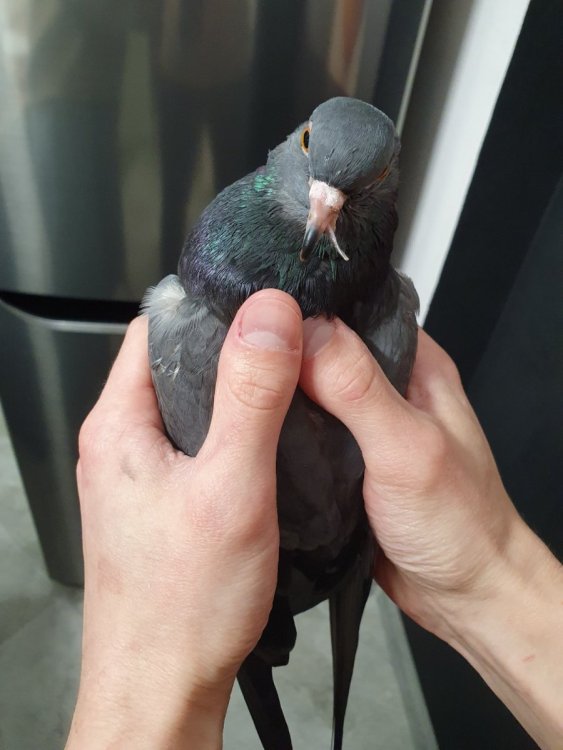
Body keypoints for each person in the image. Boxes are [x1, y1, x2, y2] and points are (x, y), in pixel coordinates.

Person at [65, 290, 563, 750]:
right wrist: (493, 574)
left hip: (336, 551)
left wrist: (141, 684)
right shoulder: (192, 328)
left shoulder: (386, 312)